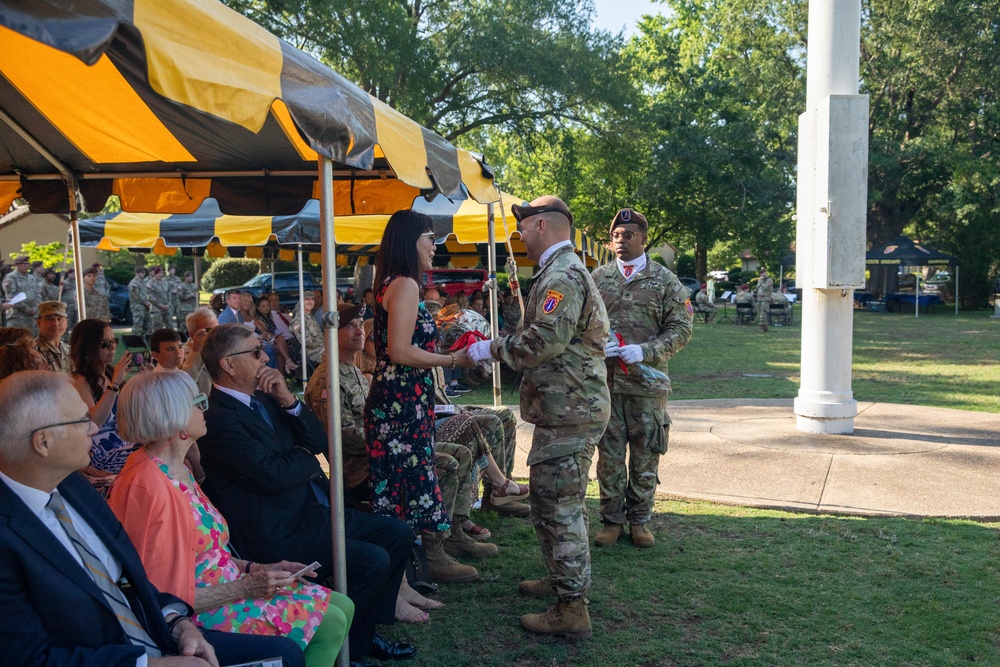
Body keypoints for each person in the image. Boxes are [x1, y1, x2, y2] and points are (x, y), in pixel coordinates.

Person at [0, 370, 307, 667]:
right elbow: (27, 659)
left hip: (161, 632)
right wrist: (150, 664)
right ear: (43, 442)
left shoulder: (73, 487)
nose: (94, 428)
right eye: (83, 420)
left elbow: (134, 582)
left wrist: (177, 622)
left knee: (289, 650)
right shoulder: (10, 536)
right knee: (288, 651)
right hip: (120, 654)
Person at [196, 324, 417, 663]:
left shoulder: (267, 397)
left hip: (313, 510)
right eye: (256, 352)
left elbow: (317, 440)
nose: (266, 356)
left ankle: (362, 631)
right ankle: (353, 647)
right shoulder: (218, 418)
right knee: (372, 560)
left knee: (398, 534)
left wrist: (289, 401)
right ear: (228, 364)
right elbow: (273, 476)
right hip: (279, 531)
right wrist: (304, 456)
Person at [110, 371, 354, 667]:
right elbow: (160, 596)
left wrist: (258, 568)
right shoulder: (147, 485)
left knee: (343, 604)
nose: (204, 407)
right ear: (173, 418)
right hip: (197, 614)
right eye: (196, 401)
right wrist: (246, 586)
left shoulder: (178, 467)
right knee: (331, 622)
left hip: (228, 586)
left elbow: (208, 552)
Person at [467, 195, 610, 639]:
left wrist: (486, 348)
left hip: (570, 410)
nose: (520, 235)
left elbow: (541, 343)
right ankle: (562, 580)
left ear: (543, 226)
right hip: (567, 407)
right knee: (556, 505)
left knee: (558, 506)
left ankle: (571, 608)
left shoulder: (563, 275)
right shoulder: (559, 271)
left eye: (524, 228)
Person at [306, 303, 490, 585]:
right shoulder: (327, 378)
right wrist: (394, 439)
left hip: (384, 454)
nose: (359, 330)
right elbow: (341, 437)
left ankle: (452, 532)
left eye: (360, 324)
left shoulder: (351, 370)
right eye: (350, 326)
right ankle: (433, 550)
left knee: (460, 453)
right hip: (362, 470)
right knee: (445, 464)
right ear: (331, 333)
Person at [363, 210, 476, 575]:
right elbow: (399, 350)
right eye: (431, 237)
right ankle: (424, 561)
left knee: (403, 481)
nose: (434, 246)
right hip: (399, 403)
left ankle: (414, 562)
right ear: (411, 240)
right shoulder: (406, 285)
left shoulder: (393, 282)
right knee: (411, 479)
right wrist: (452, 360)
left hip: (400, 399)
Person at [592, 207, 693, 549]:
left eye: (629, 235)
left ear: (643, 239)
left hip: (647, 386)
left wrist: (646, 350)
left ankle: (640, 520)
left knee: (646, 454)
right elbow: (580, 324)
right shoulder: (597, 279)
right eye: (616, 236)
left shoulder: (665, 281)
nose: (621, 241)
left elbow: (681, 329)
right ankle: (611, 520)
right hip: (605, 385)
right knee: (609, 457)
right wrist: (595, 344)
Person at [69, 318, 135, 497]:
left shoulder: (109, 374)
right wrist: (115, 385)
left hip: (126, 444)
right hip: (103, 456)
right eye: (105, 343)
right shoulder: (79, 381)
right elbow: (94, 423)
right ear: (88, 348)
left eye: (114, 341)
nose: (113, 347)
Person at [255, 294, 298, 375]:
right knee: (281, 339)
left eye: (267, 305)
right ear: (258, 308)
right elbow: (265, 331)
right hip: (264, 341)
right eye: (263, 306)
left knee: (280, 346)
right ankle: (287, 362)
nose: (266, 308)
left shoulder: (269, 317)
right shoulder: (259, 318)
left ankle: (282, 372)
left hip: (273, 340)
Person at [182, 307, 219, 395]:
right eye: (208, 331)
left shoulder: (222, 348)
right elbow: (185, 382)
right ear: (192, 334)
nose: (214, 335)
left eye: (217, 329)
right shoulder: (182, 354)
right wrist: (196, 351)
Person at [3, 255, 40, 334]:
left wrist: (36, 307)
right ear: (17, 265)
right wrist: (26, 309)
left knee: (30, 340)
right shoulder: (11, 277)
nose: (25, 265)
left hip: (31, 317)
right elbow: (12, 298)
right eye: (23, 264)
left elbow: (37, 294)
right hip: (17, 317)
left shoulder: (32, 278)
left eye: (27, 264)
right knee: (16, 341)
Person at [290, 290, 325, 369]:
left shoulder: (310, 317)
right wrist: (325, 343)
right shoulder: (298, 320)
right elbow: (306, 341)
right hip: (311, 353)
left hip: (320, 348)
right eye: (306, 299)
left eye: (312, 299)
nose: (310, 301)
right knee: (334, 351)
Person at [34, 301, 71, 372]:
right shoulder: (33, 352)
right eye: (49, 319)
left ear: (66, 322)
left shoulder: (69, 351)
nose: (55, 323)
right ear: (39, 322)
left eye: (59, 319)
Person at [129, 266, 152, 336]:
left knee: (147, 325)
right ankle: (135, 340)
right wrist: (145, 302)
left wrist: (148, 301)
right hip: (137, 307)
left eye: (144, 272)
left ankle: (145, 340)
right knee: (138, 325)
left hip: (145, 307)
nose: (144, 274)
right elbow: (136, 295)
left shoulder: (143, 282)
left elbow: (146, 293)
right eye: (142, 272)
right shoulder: (134, 283)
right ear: (137, 273)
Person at [147, 266, 172, 331]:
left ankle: (169, 340)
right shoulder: (150, 283)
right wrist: (161, 306)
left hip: (166, 308)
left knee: (170, 326)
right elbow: (150, 297)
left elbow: (169, 293)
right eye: (159, 273)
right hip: (156, 309)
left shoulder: (165, 282)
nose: (161, 274)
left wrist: (168, 304)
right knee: (157, 327)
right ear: (155, 274)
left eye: (162, 273)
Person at [755, 267, 774, 332]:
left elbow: (767, 288)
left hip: (765, 298)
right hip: (759, 299)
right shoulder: (759, 280)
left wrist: (762, 282)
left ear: (766, 273)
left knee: (763, 313)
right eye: (761, 273)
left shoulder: (769, 280)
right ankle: (765, 327)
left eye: (763, 273)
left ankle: (762, 327)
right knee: (760, 313)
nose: (762, 274)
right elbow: (757, 287)